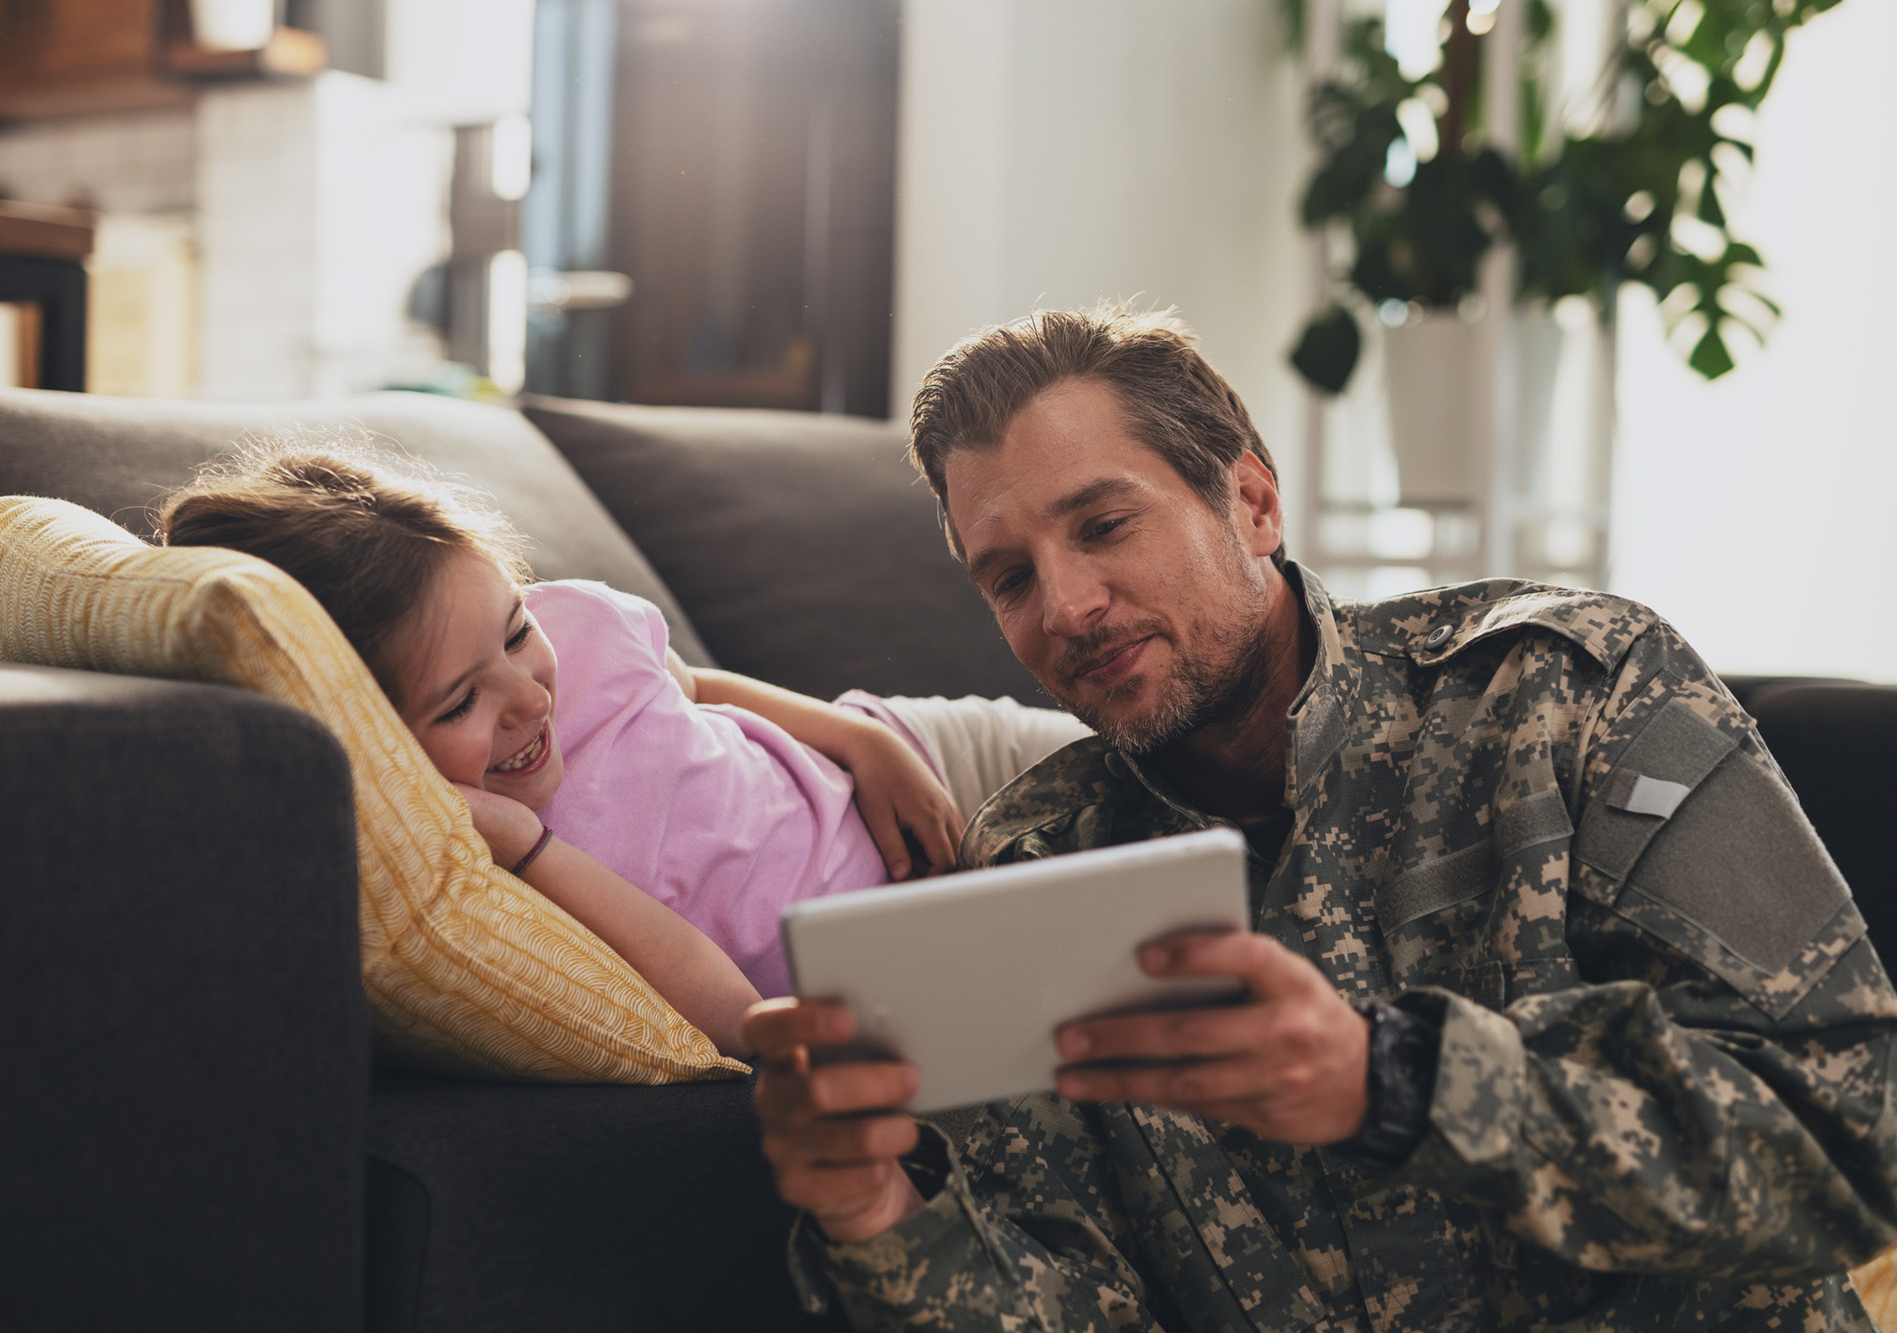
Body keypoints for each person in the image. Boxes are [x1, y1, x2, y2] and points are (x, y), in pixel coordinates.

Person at [744, 306, 1897, 1331]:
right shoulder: (1031, 861)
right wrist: (878, 1214)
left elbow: (1852, 1133)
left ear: (1248, 501)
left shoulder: (1568, 692)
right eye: (1008, 578)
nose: (1066, 607)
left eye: (1101, 526)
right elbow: (1074, 1295)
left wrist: (1389, 1080)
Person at [157, 441, 1087, 1054]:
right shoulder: (479, 853)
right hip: (905, 942)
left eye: (515, 633)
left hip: (911, 761)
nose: (527, 697)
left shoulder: (582, 627)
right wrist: (525, 845)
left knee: (1208, 784)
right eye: (459, 702)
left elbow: (696, 688)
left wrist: (860, 740)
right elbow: (718, 1004)